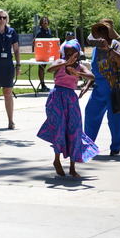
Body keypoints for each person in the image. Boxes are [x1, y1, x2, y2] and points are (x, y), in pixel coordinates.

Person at [37, 40, 98, 177]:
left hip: (71, 99)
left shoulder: (80, 67)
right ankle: (57, 160)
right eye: (67, 51)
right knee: (59, 129)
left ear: (77, 53)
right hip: (57, 97)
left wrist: (78, 75)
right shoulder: (60, 62)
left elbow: (92, 77)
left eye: (72, 51)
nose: (69, 54)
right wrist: (65, 64)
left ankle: (72, 167)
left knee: (74, 130)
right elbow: (50, 69)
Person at [81, 19, 120, 156]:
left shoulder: (116, 45)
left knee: (115, 121)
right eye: (100, 30)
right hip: (99, 90)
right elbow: (95, 71)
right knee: (90, 115)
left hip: (115, 89)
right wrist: (87, 85)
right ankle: (88, 146)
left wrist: (109, 49)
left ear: (109, 33)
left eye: (104, 30)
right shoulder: (96, 49)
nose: (101, 33)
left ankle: (115, 148)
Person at [33, 16, 52, 92]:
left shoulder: (49, 31)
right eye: (43, 21)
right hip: (41, 52)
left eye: (46, 21)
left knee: (46, 67)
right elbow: (35, 42)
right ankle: (42, 84)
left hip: (48, 52)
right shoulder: (40, 32)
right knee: (41, 67)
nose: (45, 22)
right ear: (41, 23)